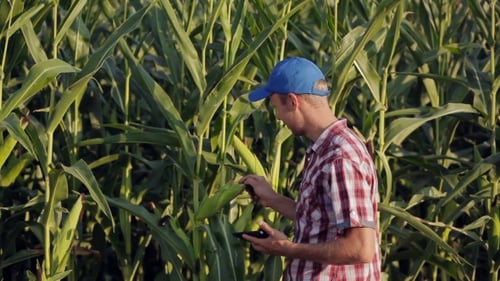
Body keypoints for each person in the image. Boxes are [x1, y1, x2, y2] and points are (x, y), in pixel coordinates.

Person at [238, 57, 381, 281]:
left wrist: (287, 248)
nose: (277, 116)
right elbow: (323, 221)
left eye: (276, 107)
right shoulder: (323, 149)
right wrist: (272, 199)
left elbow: (360, 248)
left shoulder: (340, 157)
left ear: (293, 102)